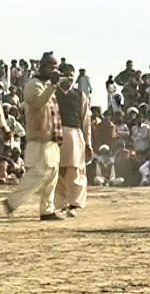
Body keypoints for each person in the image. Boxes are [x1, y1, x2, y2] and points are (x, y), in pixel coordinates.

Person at [2, 51, 65, 221]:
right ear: (43, 67)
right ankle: (12, 202)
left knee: (52, 175)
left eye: (56, 67)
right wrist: (52, 86)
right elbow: (38, 101)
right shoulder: (33, 84)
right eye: (52, 67)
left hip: (51, 137)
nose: (55, 70)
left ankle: (47, 210)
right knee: (40, 173)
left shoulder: (48, 85)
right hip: (39, 137)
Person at [54, 64, 92, 218]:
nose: (69, 78)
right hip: (56, 135)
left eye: (72, 75)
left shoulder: (80, 95)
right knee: (58, 170)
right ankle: (61, 203)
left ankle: (74, 203)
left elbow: (86, 120)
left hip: (75, 135)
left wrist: (88, 143)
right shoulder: (52, 93)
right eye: (66, 75)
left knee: (75, 170)